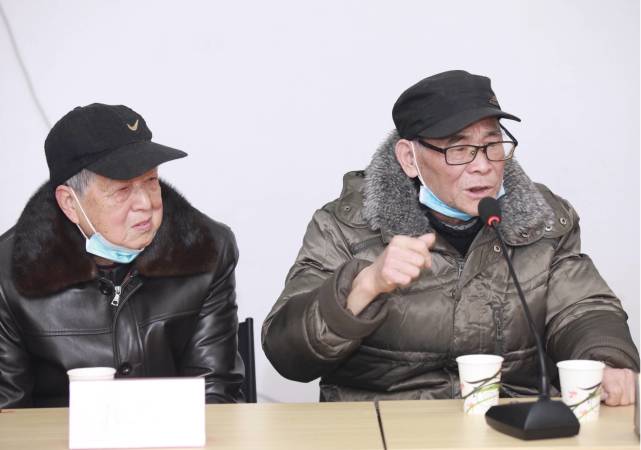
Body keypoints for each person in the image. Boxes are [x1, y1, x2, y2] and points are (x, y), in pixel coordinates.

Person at [262, 70, 639, 405]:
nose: (482, 165)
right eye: (459, 149)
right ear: (409, 158)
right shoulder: (345, 226)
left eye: (492, 145)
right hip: (386, 425)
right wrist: (364, 285)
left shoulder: (542, 219)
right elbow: (287, 354)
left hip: (509, 423)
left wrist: (604, 362)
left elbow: (582, 309)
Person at [0, 103, 244, 407]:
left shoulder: (206, 250)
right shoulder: (9, 273)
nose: (146, 204)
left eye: (151, 181)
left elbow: (214, 393)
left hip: (174, 431)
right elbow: (7, 413)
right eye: (122, 190)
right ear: (70, 204)